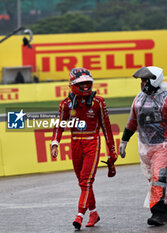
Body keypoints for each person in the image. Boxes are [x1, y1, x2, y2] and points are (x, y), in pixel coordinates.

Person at [119, 66, 167, 226]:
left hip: (165, 144)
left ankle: (157, 213)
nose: (142, 83)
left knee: (159, 177)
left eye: (145, 80)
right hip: (145, 145)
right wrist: (124, 140)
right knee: (153, 179)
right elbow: (132, 121)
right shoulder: (138, 99)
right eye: (141, 80)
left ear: (154, 80)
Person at [50, 67, 118, 230]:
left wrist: (112, 149)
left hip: (92, 143)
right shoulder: (66, 104)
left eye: (88, 83)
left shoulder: (98, 102)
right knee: (83, 182)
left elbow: (106, 127)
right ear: (72, 85)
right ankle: (93, 212)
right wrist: (54, 143)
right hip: (75, 144)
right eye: (81, 84)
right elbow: (59, 125)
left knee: (86, 180)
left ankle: (79, 215)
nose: (86, 86)